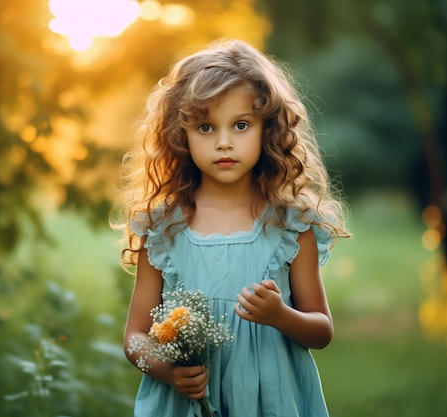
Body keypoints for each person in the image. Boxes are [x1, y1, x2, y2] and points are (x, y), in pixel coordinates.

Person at [113, 39, 351, 417]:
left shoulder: (291, 224)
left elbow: (321, 330)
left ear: (267, 129)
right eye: (206, 127)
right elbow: (134, 339)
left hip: (270, 402)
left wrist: (280, 316)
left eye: (241, 125)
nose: (224, 143)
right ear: (181, 135)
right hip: (183, 404)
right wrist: (169, 372)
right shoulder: (164, 228)